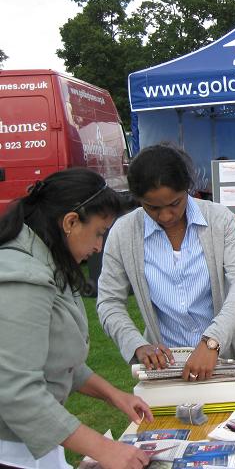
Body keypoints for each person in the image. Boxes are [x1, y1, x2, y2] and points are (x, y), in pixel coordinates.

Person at [0, 168, 153, 469]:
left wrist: (114, 395)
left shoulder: (47, 259)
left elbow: (57, 359)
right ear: (70, 221)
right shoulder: (23, 276)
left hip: (33, 443)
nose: (99, 246)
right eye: (98, 233)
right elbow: (16, 389)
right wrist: (104, 449)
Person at [97, 145, 235, 380]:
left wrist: (212, 341)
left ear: (187, 189)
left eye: (174, 203)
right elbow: (109, 302)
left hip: (227, 359)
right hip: (166, 367)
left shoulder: (219, 219)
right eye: (152, 207)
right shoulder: (124, 232)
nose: (165, 216)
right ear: (138, 199)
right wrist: (137, 345)